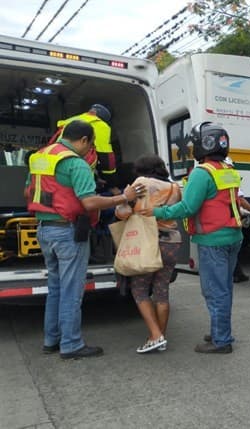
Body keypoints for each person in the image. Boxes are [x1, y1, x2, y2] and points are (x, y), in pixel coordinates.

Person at [25, 120, 143, 359]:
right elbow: (89, 202)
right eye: (89, 147)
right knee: (72, 290)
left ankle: (52, 340)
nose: (88, 152)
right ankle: (71, 344)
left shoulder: (40, 156)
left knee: (56, 287)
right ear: (84, 141)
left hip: (45, 229)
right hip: (68, 231)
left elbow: (28, 192)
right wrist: (123, 197)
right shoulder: (75, 163)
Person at [140, 122, 242, 354]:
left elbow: (188, 207)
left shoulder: (202, 172)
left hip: (213, 241)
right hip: (233, 237)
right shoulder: (227, 169)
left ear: (202, 145)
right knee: (224, 288)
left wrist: (157, 212)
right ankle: (220, 331)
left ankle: (221, 341)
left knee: (215, 291)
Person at [115, 154, 182, 353]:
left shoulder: (141, 182)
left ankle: (155, 335)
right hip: (172, 241)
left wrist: (121, 202)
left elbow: (124, 213)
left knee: (139, 289)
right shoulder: (174, 187)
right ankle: (160, 336)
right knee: (162, 291)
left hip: (147, 240)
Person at [55, 104, 119, 191]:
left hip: (60, 170)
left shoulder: (71, 121)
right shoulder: (100, 124)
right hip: (78, 171)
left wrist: (96, 178)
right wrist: (112, 184)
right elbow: (106, 157)